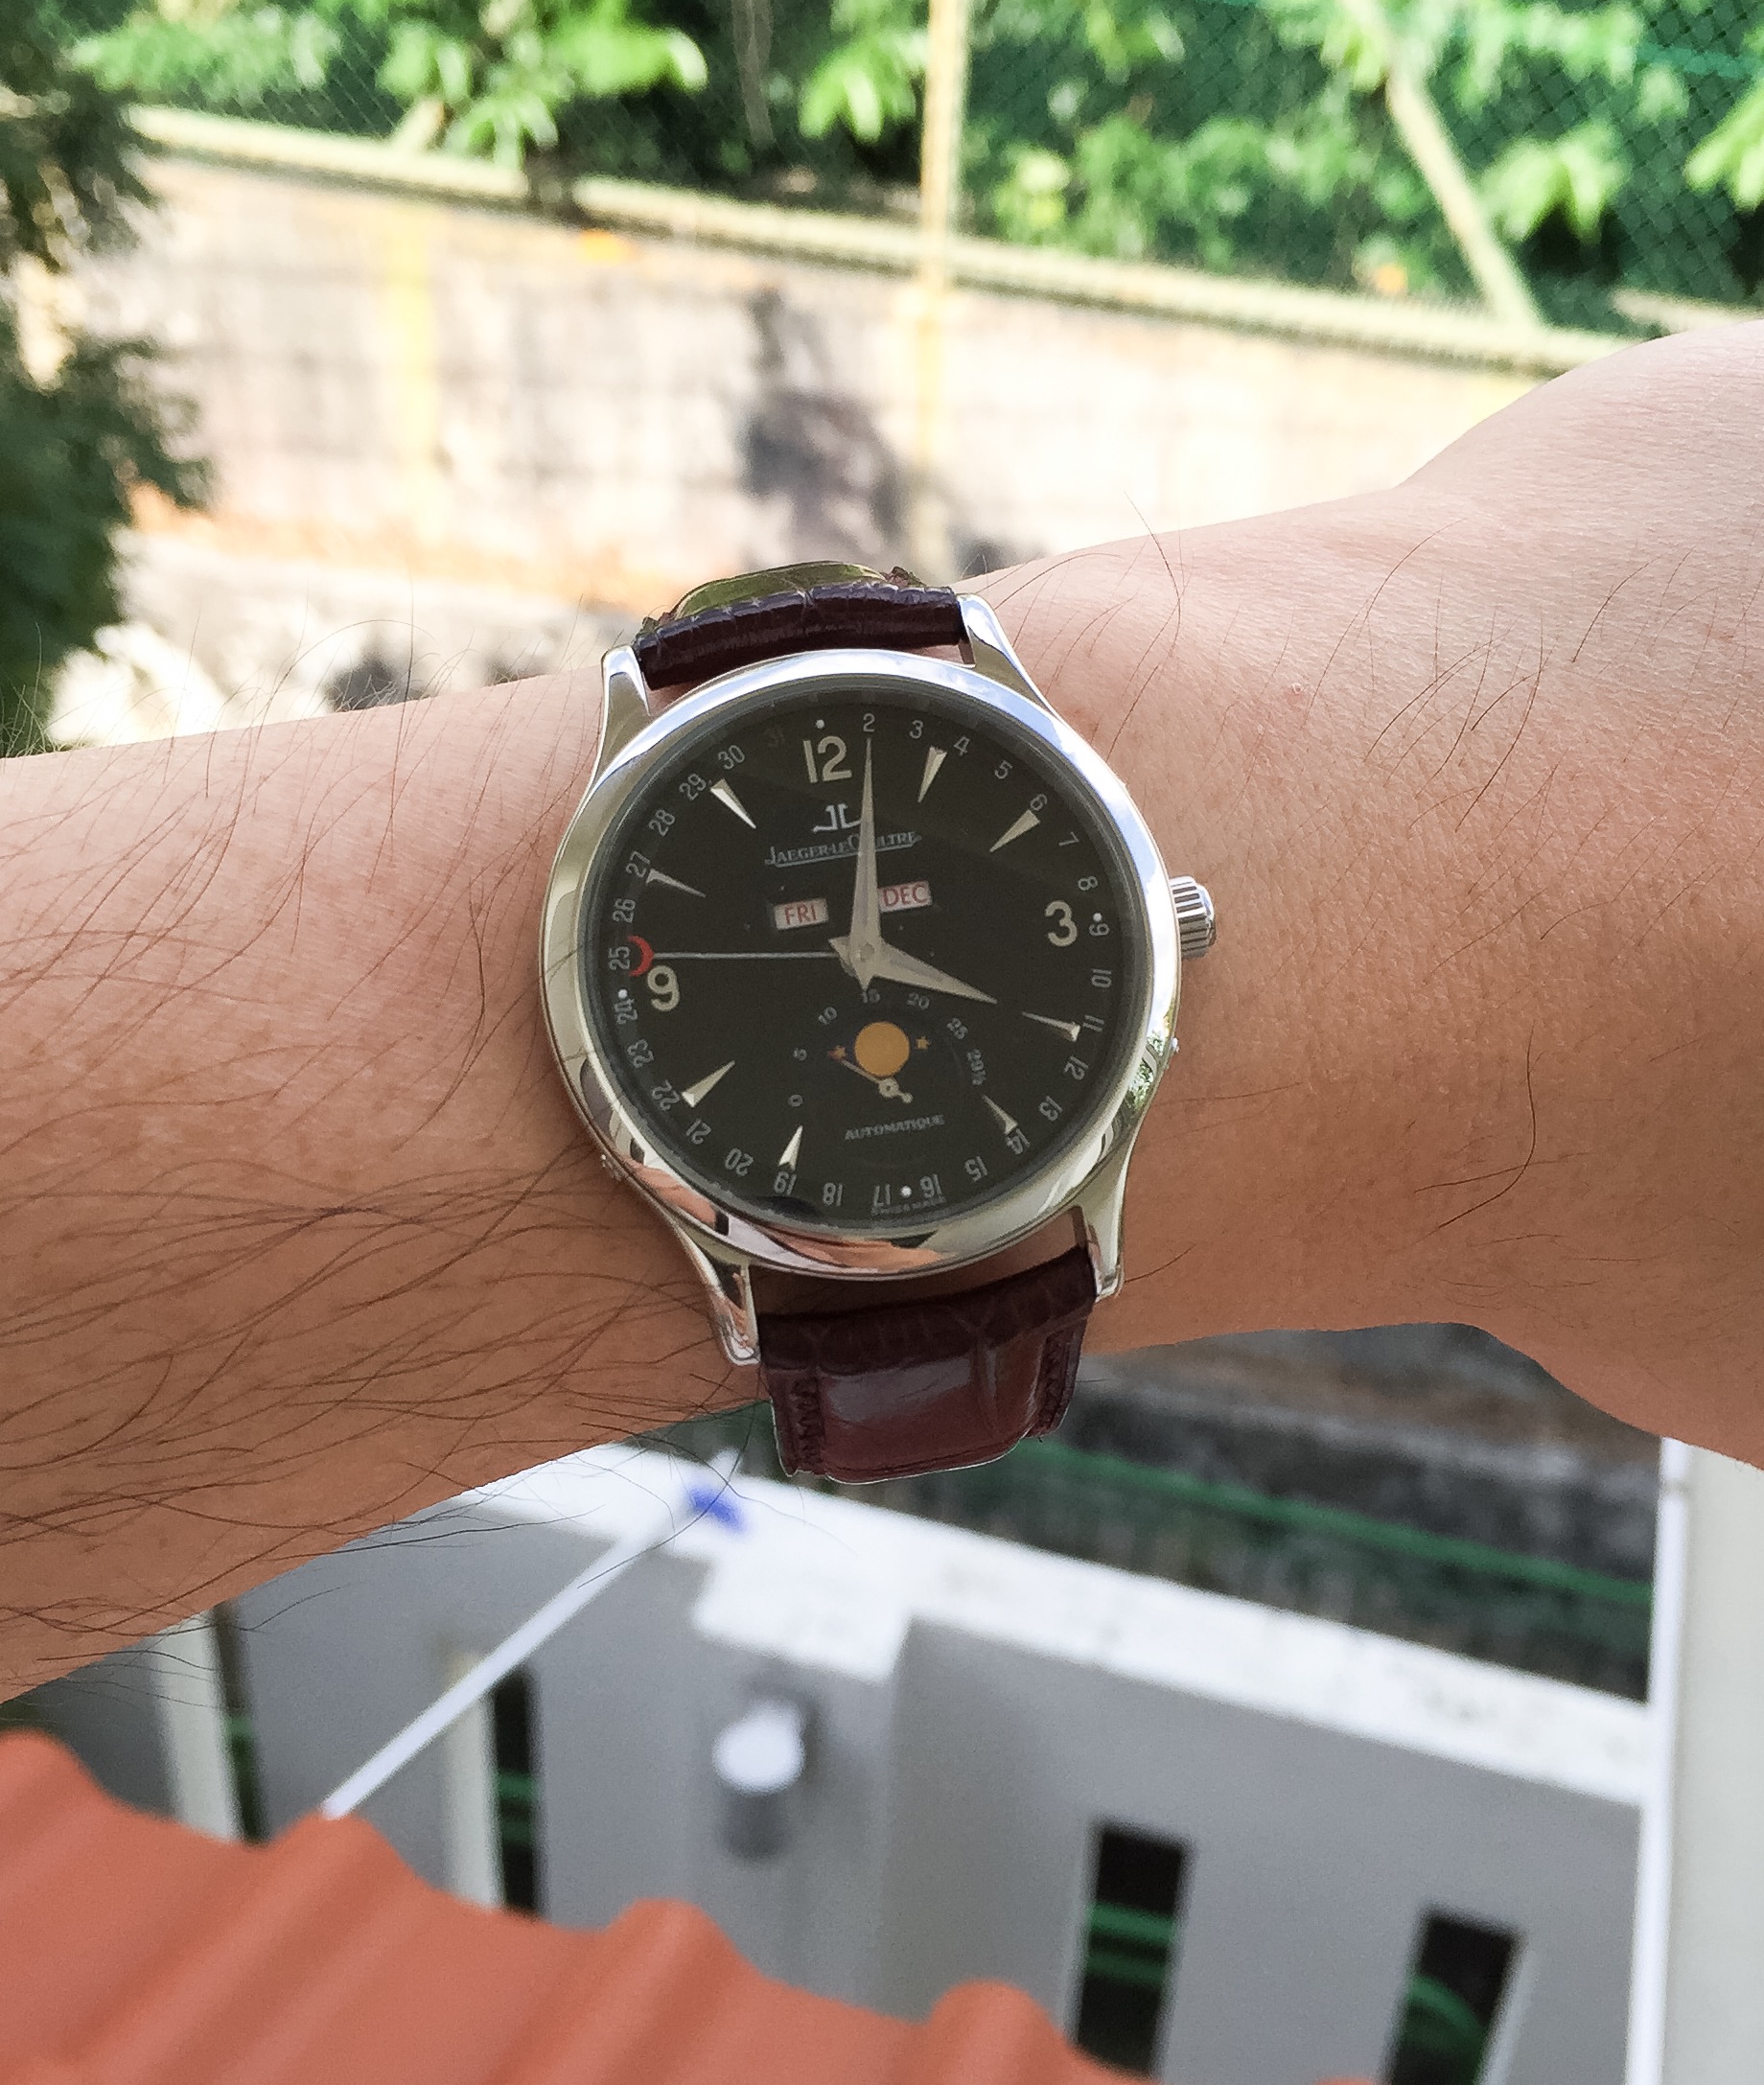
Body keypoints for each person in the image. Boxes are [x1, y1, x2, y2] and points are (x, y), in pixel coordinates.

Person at [2, 324, 1758, 1702]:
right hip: (767, 1200)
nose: (866, 962)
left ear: (1165, 918)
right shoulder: (686, 1045)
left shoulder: (1073, 946)